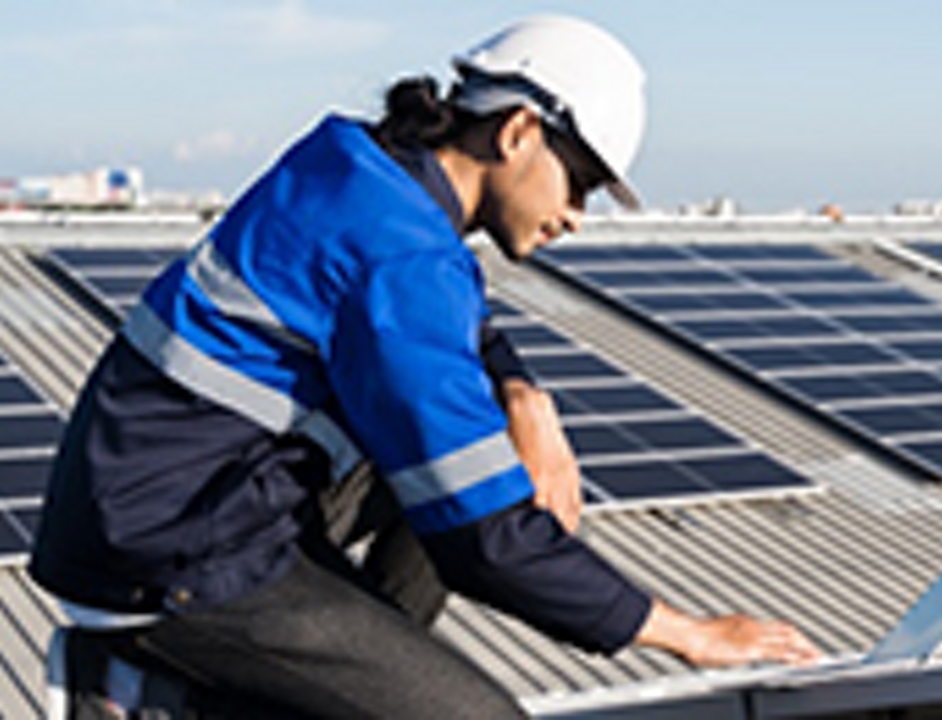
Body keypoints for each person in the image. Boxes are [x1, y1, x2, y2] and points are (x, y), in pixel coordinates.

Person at [29, 14, 820, 718]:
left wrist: (524, 397)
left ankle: (342, 683)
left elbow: (452, 322)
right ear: (518, 132)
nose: (576, 217)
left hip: (166, 498)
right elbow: (489, 541)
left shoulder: (360, 166)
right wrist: (688, 633)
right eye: (578, 183)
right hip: (174, 556)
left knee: (473, 457)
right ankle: (137, 688)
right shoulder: (401, 258)